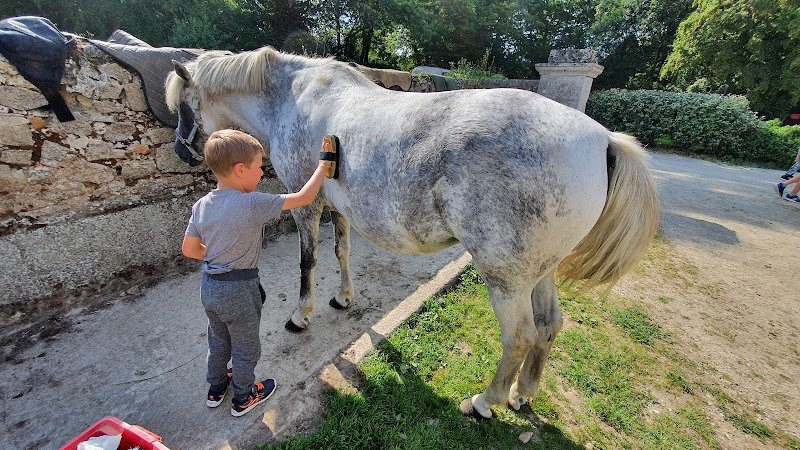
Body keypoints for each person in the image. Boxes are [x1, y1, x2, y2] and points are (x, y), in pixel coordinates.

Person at [182, 129, 334, 416]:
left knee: (218, 340)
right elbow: (304, 197)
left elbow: (189, 249)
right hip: (240, 290)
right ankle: (243, 396)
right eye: (259, 166)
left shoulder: (200, 206)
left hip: (210, 288)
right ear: (240, 169)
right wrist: (324, 164)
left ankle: (216, 387)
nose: (263, 173)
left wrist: (217, 256)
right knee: (246, 347)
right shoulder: (252, 203)